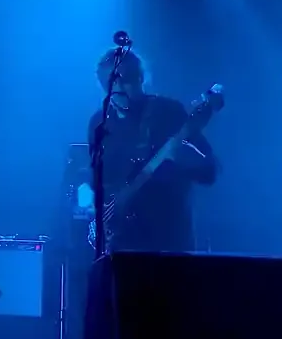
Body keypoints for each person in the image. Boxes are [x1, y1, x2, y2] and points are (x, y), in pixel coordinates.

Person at [77, 48, 218, 253]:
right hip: (120, 245)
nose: (117, 88)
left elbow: (210, 171)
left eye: (125, 79)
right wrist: (96, 216)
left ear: (141, 77)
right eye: (109, 81)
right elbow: (97, 182)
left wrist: (186, 158)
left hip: (168, 242)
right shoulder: (98, 123)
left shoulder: (167, 112)